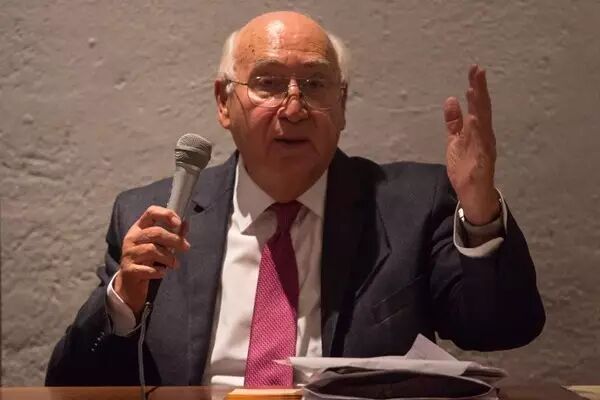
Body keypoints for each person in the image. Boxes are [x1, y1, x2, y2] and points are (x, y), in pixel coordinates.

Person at [46, 11, 545, 387]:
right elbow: (70, 385)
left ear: (341, 104)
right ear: (224, 102)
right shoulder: (153, 217)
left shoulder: (413, 204)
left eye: (315, 84)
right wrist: (125, 298)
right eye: (267, 83)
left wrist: (480, 210)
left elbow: (500, 329)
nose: (293, 107)